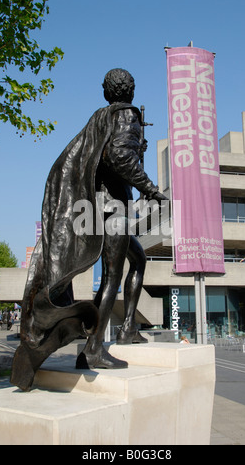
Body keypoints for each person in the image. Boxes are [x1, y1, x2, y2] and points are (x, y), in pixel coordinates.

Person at [11, 68, 167, 391]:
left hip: (99, 207)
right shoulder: (127, 115)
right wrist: (150, 187)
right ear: (131, 90)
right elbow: (118, 157)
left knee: (138, 261)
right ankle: (94, 349)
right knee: (112, 277)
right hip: (113, 209)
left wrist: (138, 152)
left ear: (107, 90)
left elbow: (108, 155)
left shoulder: (101, 116)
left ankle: (126, 329)